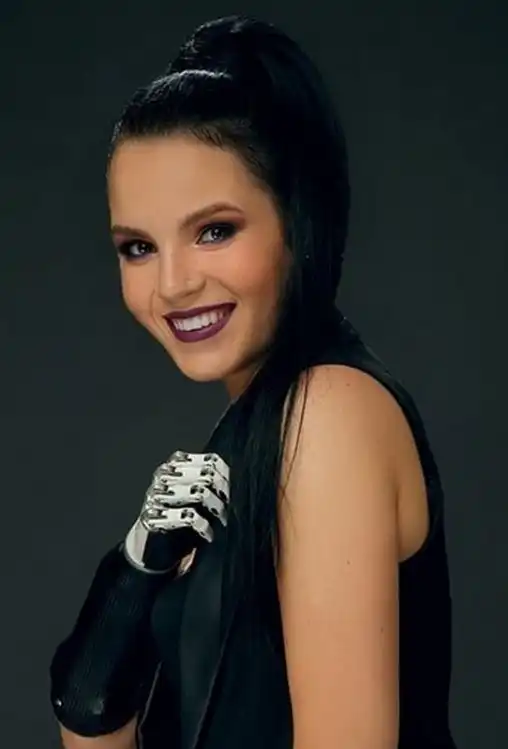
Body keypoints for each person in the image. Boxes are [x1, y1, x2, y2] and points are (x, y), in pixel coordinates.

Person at [49, 15, 457, 749]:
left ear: (295, 222)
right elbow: (90, 736)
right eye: (138, 247)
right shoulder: (247, 439)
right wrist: (136, 569)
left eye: (214, 230)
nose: (172, 284)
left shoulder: (327, 413)